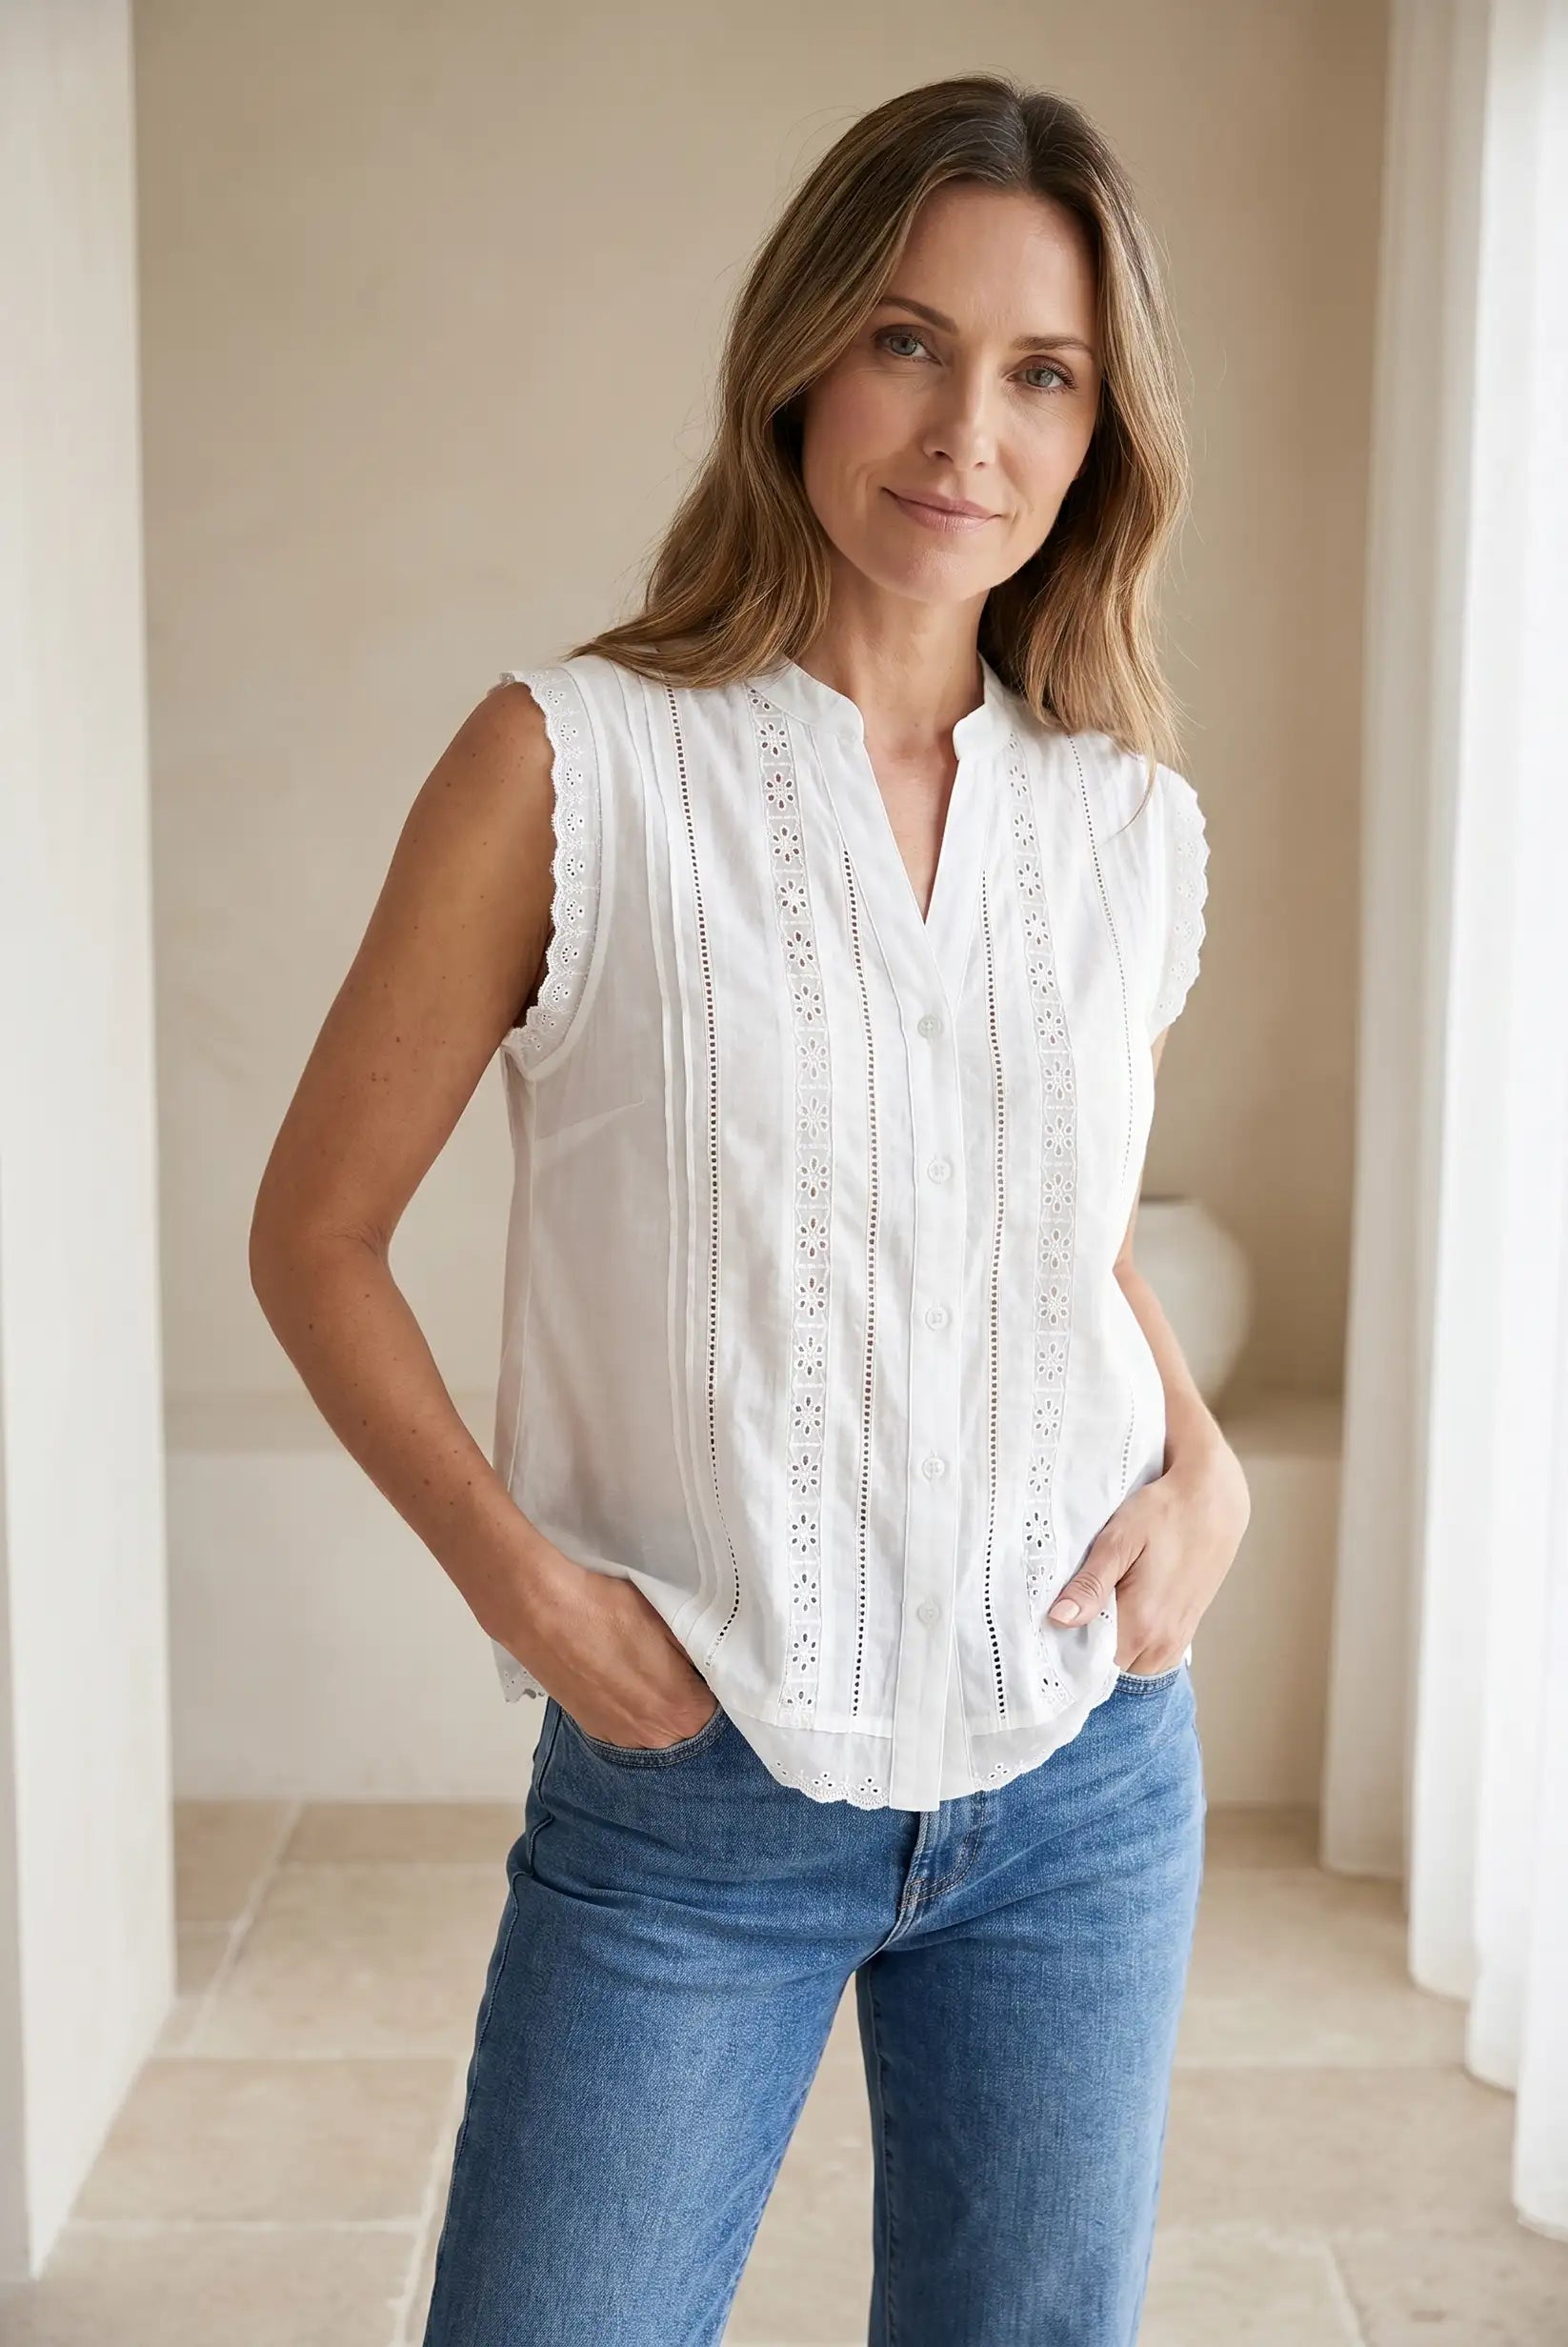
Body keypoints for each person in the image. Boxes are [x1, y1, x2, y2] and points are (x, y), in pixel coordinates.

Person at [250, 70, 1251, 2347]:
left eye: (1041, 374)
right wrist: (531, 1592)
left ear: (1101, 433)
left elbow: (1047, 1235)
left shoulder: (1123, 822)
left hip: (1082, 1777)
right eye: (909, 342)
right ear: (801, 354)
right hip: (695, 1780)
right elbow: (313, 1236)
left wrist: (1203, 1464)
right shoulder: (571, 761)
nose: (966, 432)